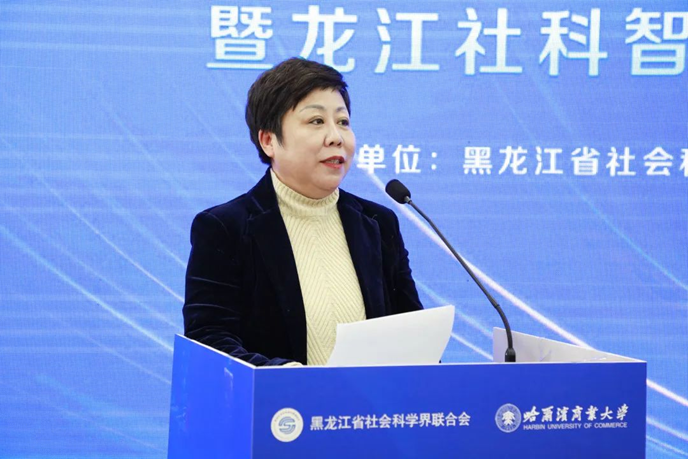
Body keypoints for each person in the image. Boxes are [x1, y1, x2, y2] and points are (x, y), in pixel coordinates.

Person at [183, 57, 422, 366]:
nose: (336, 136)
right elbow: (209, 340)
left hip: (371, 400)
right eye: (316, 121)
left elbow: (413, 336)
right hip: (277, 399)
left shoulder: (378, 223)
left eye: (343, 122)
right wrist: (289, 379)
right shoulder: (225, 228)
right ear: (269, 140)